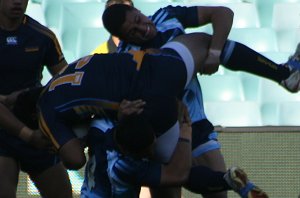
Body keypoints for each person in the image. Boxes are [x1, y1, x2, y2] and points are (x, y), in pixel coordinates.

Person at [36, 32, 269, 197]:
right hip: (150, 83)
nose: (150, 153)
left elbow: (77, 147)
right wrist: (185, 132)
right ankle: (227, 180)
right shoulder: (126, 167)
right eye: (147, 151)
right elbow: (177, 174)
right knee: (179, 174)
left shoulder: (99, 130)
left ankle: (227, 180)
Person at [102, 4, 233, 198]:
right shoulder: (125, 58)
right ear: (122, 38)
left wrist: (214, 52)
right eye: (133, 32)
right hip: (160, 134)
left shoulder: (167, 16)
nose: (142, 29)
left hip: (194, 123)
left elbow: (223, 13)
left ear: (139, 11)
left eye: (138, 21)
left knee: (219, 194)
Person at [0, 0, 72, 197]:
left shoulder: (42, 36)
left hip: (35, 127)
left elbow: (67, 80)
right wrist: (26, 135)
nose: (17, 2)